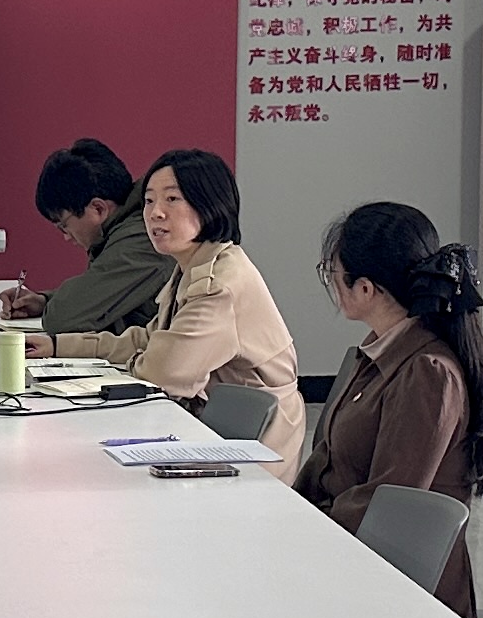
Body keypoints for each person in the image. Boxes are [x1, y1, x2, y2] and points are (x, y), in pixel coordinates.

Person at [294, 202, 483, 618]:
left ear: (365, 289)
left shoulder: (427, 373)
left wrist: (305, 529)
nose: (331, 283)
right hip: (348, 555)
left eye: (332, 272)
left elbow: (388, 504)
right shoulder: (378, 353)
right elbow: (326, 461)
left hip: (402, 589)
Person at [47, 148, 305, 469]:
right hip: (216, 426)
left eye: (172, 199)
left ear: (209, 204)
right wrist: (57, 346)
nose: (155, 213)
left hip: (255, 445)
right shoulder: (192, 265)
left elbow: (163, 373)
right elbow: (148, 338)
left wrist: (140, 358)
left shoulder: (217, 284)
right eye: (149, 201)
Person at [0, 138, 171, 338]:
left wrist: (52, 308)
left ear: (98, 208)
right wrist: (44, 301)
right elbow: (105, 290)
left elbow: (62, 319)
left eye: (64, 226)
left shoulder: (142, 240)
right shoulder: (127, 228)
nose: (66, 237)